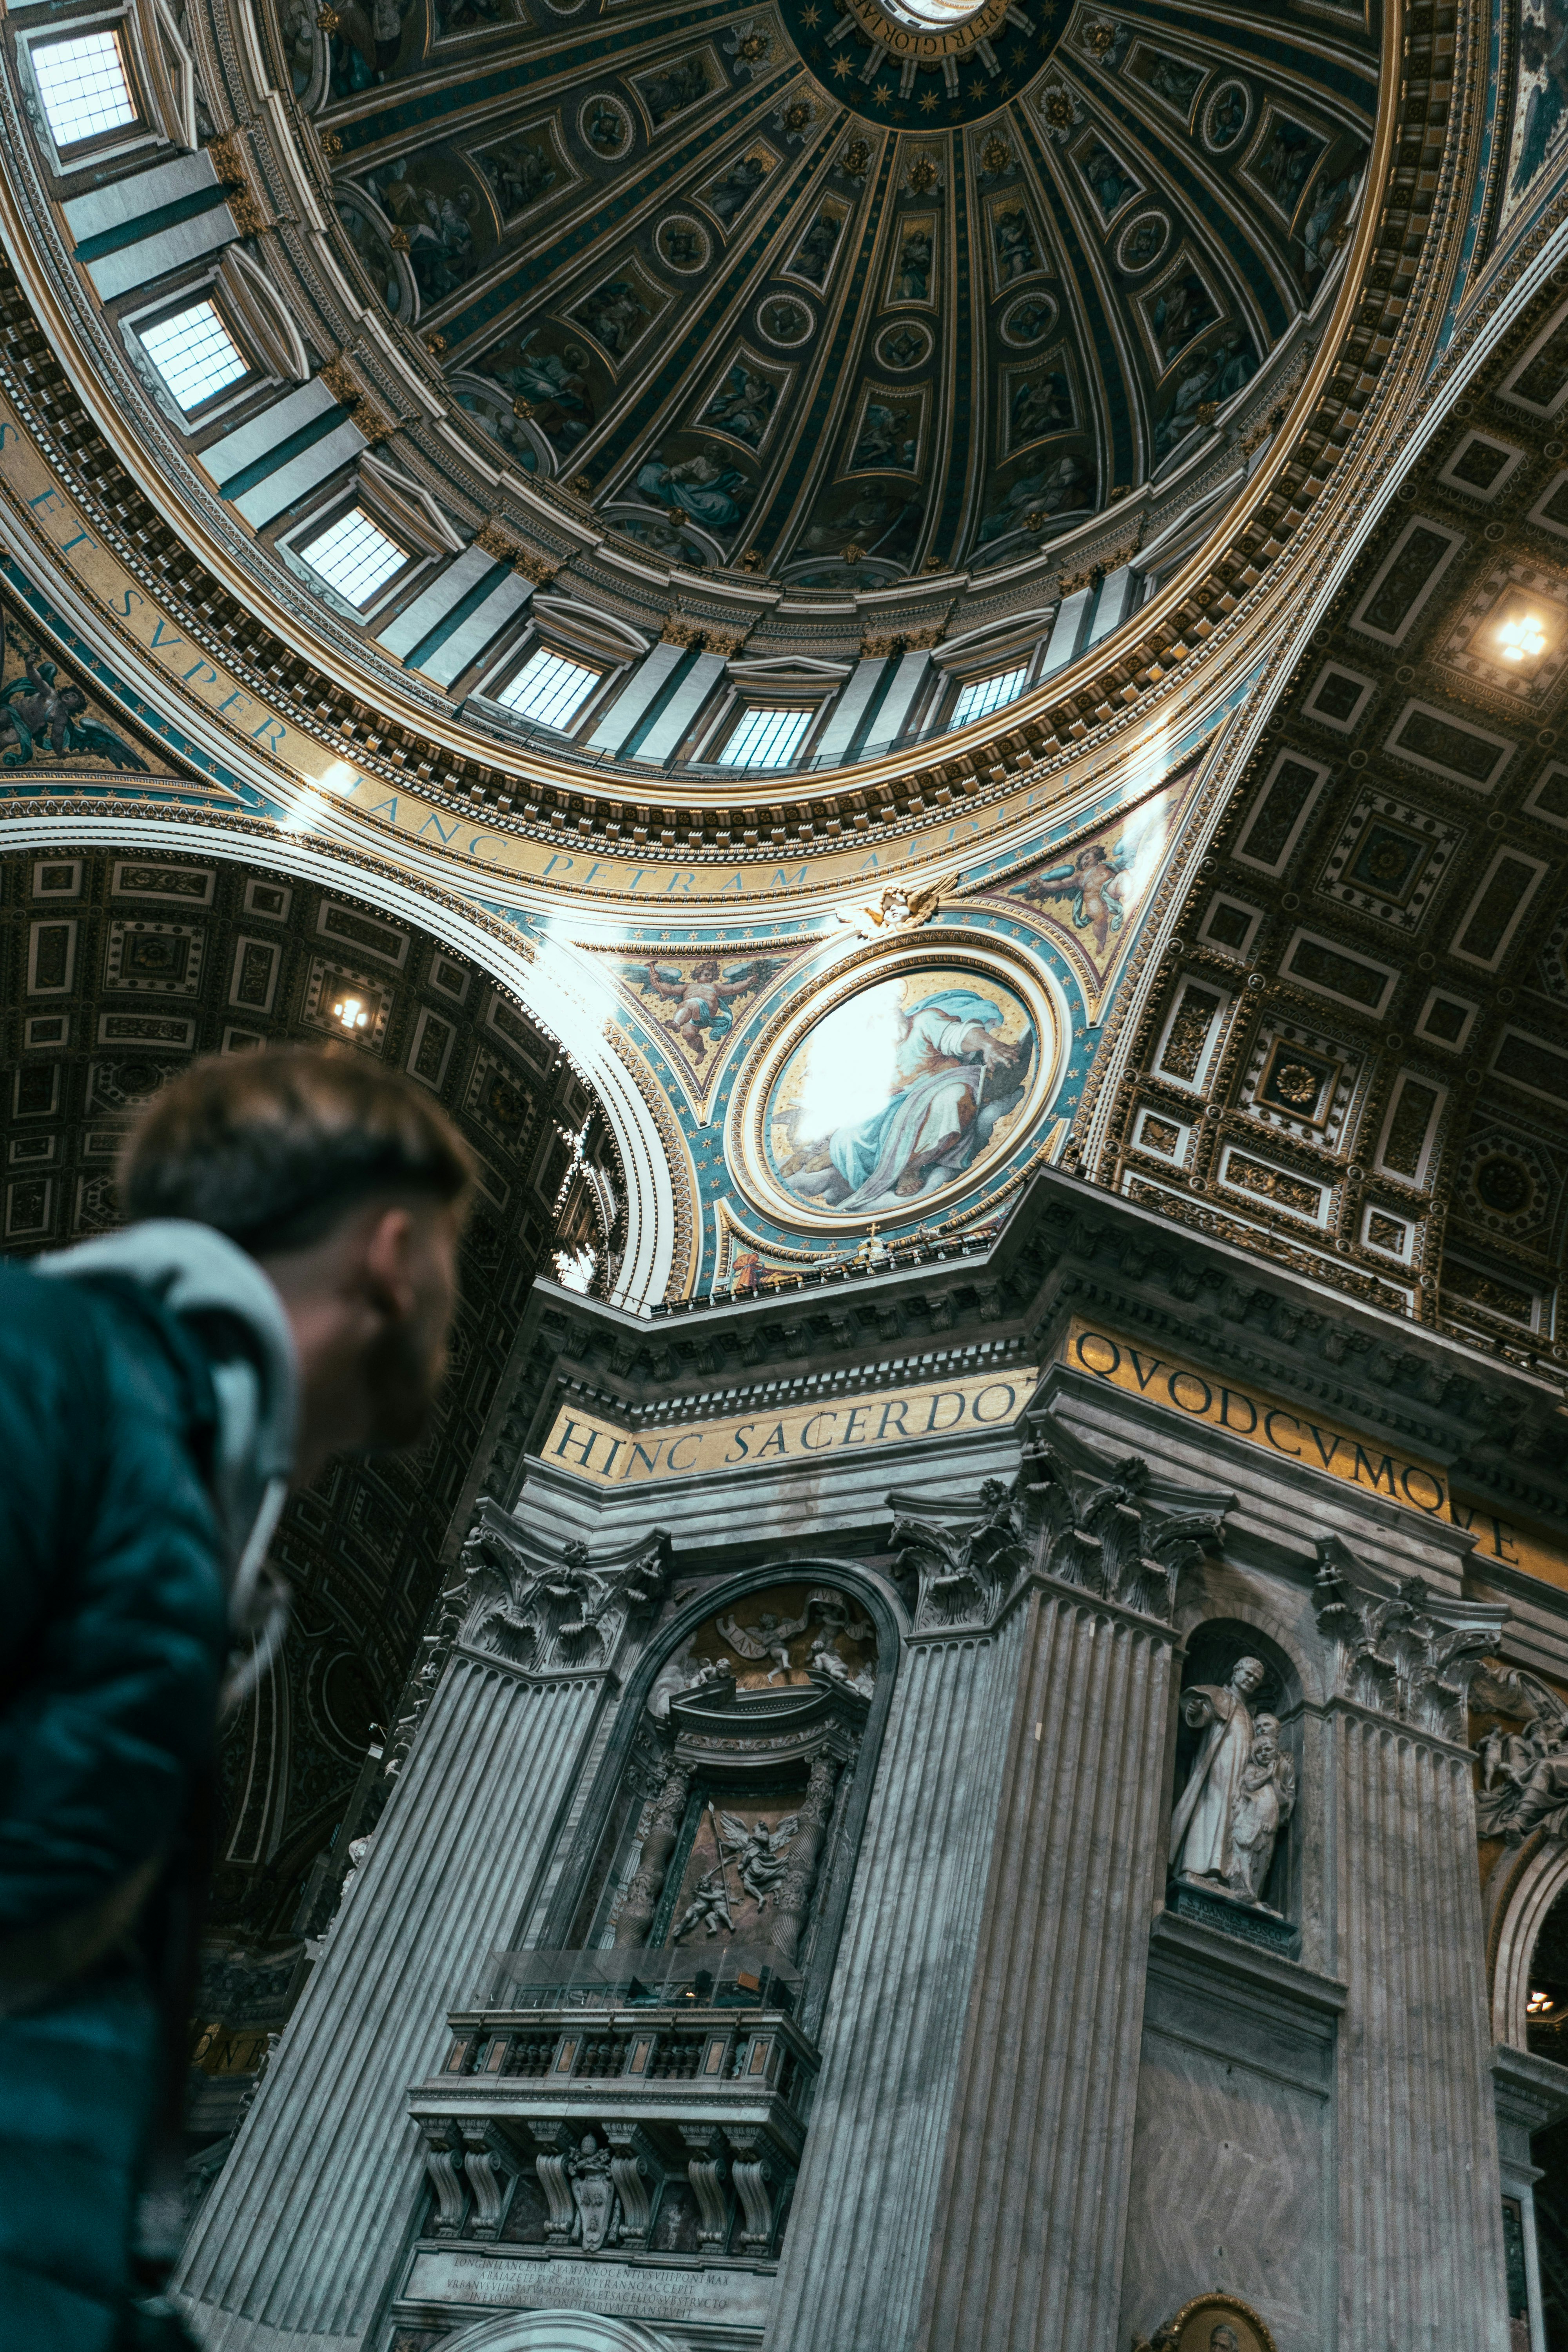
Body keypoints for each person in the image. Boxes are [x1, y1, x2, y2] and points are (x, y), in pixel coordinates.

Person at [0, 1045, 472, 2350]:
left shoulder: (194, 1505)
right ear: (390, 1251)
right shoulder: (42, 1359)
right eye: (451, 1255)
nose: (454, 1300)